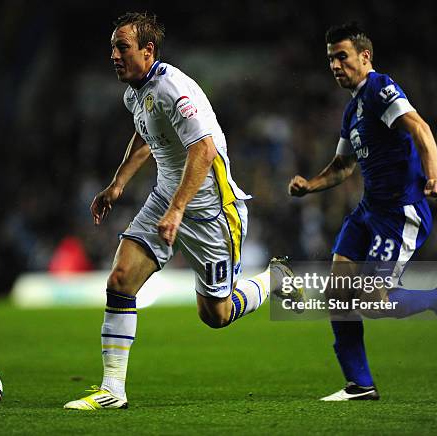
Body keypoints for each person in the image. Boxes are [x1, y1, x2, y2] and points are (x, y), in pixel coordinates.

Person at [64, 12, 300, 410]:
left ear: (147, 50)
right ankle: (112, 390)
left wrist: (178, 209)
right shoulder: (134, 92)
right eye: (112, 48)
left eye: (122, 47)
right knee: (120, 280)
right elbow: (146, 133)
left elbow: (203, 149)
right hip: (165, 201)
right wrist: (118, 183)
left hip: (211, 214)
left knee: (216, 315)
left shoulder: (173, 87)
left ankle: (273, 280)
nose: (114, 56)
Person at [288, 23, 437, 401]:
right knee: (338, 293)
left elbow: (420, 127)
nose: (335, 65)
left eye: (342, 56)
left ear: (364, 57)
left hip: (399, 213)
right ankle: (360, 384)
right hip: (369, 210)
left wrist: (435, 176)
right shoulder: (353, 108)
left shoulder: (379, 89)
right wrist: (310, 185)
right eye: (331, 59)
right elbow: (342, 167)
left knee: (373, 303)